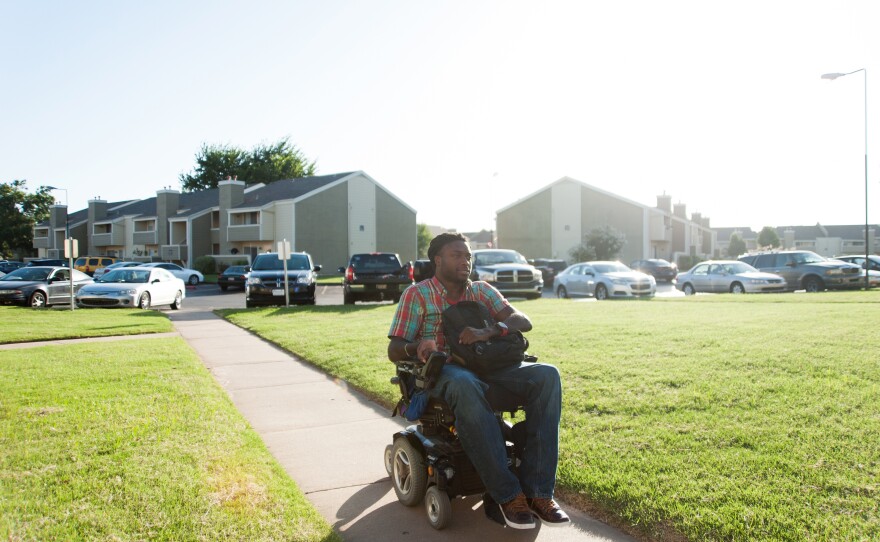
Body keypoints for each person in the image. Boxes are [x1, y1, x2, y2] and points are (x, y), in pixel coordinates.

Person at [387, 233, 569, 529]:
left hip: (490, 365)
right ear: (438, 260)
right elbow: (394, 348)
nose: (465, 261)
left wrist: (490, 330)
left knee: (547, 375)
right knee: (465, 383)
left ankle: (539, 493)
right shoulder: (417, 295)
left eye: (468, 256)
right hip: (444, 371)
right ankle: (508, 495)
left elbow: (522, 321)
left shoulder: (482, 290)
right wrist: (417, 346)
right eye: (457, 255)